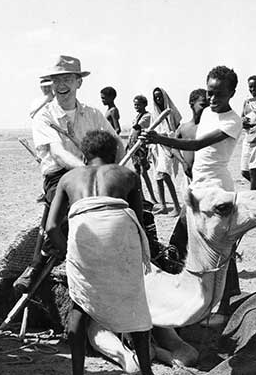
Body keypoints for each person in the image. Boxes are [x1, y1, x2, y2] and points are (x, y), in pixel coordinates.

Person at [46, 130, 160, 375]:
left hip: (84, 235)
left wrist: (66, 252)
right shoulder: (127, 175)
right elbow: (138, 218)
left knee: (79, 307)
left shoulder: (68, 178)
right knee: (134, 303)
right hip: (119, 229)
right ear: (116, 155)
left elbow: (50, 227)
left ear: (84, 156)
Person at [14, 55, 124, 292]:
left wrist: (119, 169)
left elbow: (116, 144)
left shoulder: (94, 114)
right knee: (71, 205)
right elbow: (58, 153)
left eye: (67, 79)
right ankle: (42, 258)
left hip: (96, 173)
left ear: (78, 83)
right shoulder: (44, 116)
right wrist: (88, 173)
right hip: (61, 176)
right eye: (56, 80)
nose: (61, 85)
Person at [143, 66, 242, 318]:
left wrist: (160, 139)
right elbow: (195, 149)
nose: (212, 99)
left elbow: (198, 144)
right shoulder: (208, 112)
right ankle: (181, 299)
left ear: (232, 92)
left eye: (219, 94)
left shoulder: (232, 120)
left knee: (220, 248)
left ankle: (228, 307)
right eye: (209, 92)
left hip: (217, 191)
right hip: (197, 189)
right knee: (178, 243)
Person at [151, 87, 182, 215]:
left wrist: (168, 136)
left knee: (165, 175)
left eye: (160, 97)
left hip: (169, 145)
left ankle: (176, 205)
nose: (158, 100)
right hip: (158, 147)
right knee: (158, 176)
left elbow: (178, 130)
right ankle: (163, 205)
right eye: (156, 98)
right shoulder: (155, 114)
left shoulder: (172, 112)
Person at [127, 94, 157, 203]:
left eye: (138, 104)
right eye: (135, 105)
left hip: (141, 147)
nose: (136, 106)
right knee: (137, 172)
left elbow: (137, 128)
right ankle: (142, 197)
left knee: (144, 172)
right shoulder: (138, 116)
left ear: (144, 104)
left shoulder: (146, 116)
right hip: (134, 146)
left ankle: (152, 198)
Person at [174, 88, 209, 180]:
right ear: (191, 104)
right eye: (203, 105)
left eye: (208, 106)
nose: (206, 109)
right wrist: (183, 163)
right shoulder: (183, 128)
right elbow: (174, 148)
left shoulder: (210, 127)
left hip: (206, 176)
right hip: (189, 176)